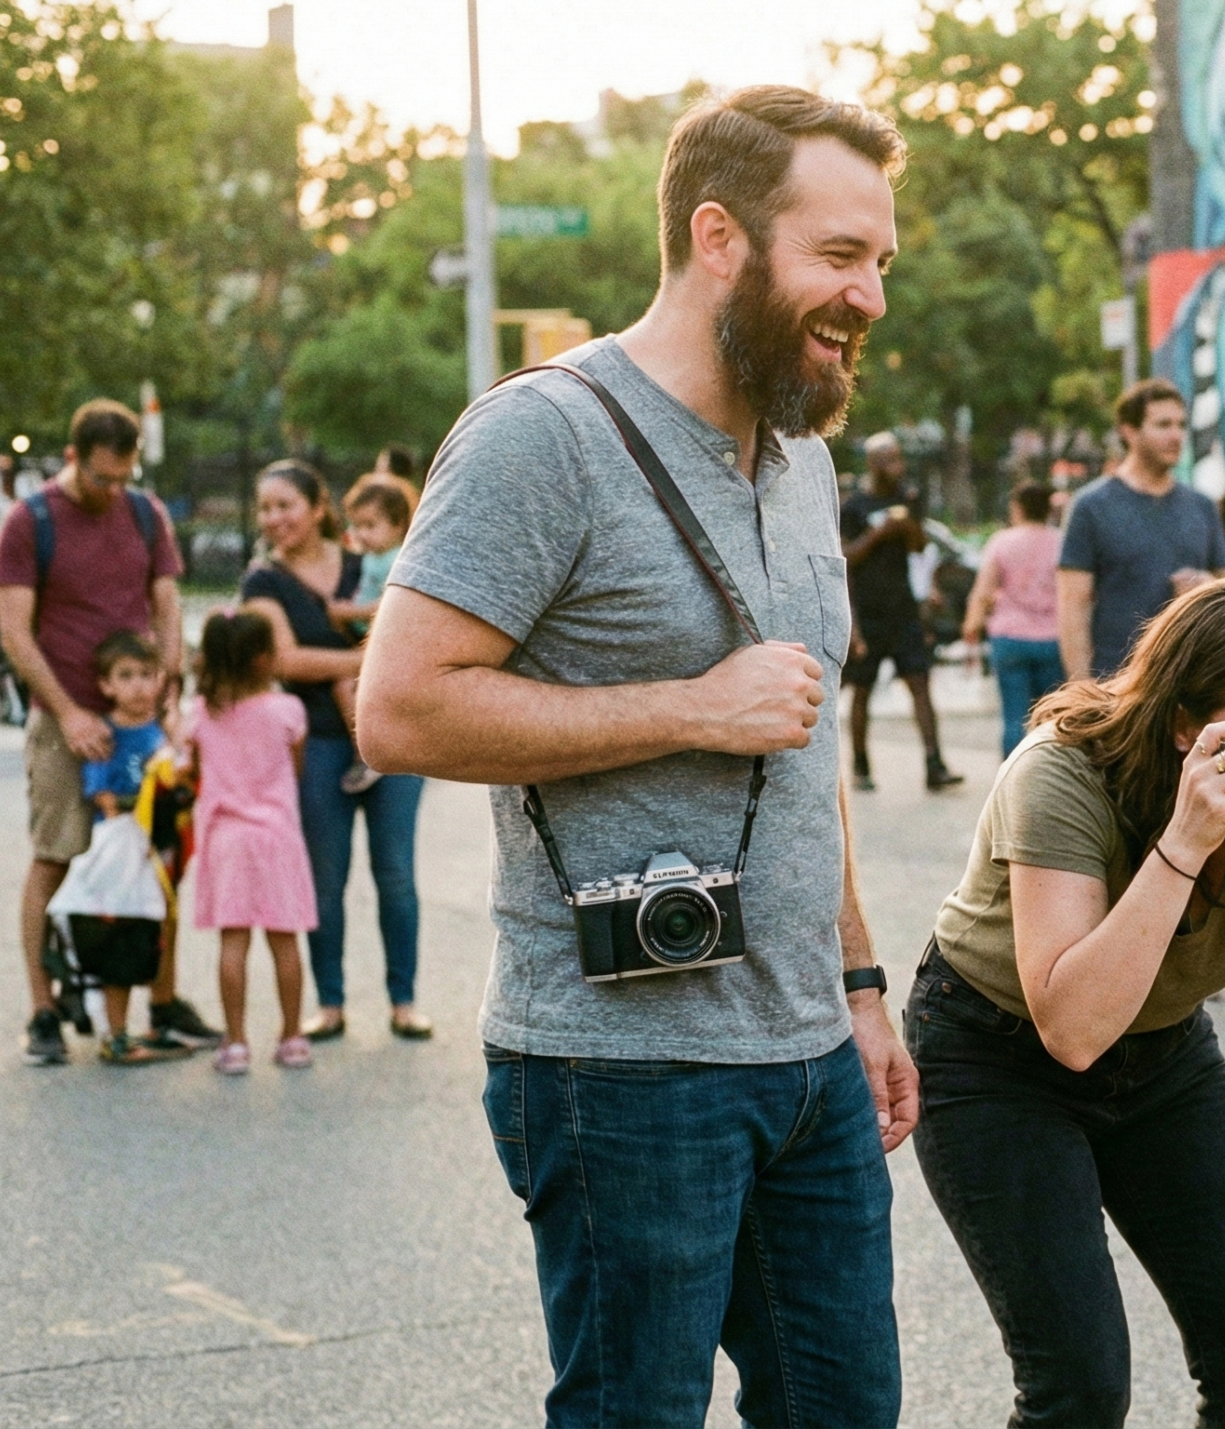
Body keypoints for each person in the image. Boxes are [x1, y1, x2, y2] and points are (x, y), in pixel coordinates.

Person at [359, 86, 913, 1427]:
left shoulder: (802, 458)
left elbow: (804, 747)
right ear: (719, 238)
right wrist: (689, 709)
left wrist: (857, 982)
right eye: (841, 255)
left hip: (807, 1053)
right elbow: (400, 710)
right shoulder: (541, 434)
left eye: (883, 261)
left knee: (847, 1410)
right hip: (618, 1070)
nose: (872, 297)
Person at [909, 580, 1225, 1427]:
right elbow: (1072, 1030)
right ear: (1186, 726)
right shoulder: (1063, 770)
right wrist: (1184, 843)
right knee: (1080, 1385)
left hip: (1163, 1054)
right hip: (996, 1056)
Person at [0, 398, 217, 1064]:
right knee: (56, 856)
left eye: (124, 477)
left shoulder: (144, 514)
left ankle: (161, 1003)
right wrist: (68, 711)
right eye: (101, 478)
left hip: (141, 722)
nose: (113, 490)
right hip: (66, 720)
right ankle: (44, 1011)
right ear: (72, 458)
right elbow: (14, 632)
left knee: (155, 863)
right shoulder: (30, 522)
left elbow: (167, 604)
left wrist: (169, 688)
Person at [240, 462, 429, 1043]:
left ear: (318, 508)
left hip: (392, 739)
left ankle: (404, 1000)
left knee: (396, 873)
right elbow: (285, 660)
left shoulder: (366, 559)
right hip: (318, 741)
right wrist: (371, 661)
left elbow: (417, 624)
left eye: (285, 505)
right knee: (325, 879)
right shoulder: (263, 581)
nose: (273, 518)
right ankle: (330, 1003)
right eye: (265, 508)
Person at [185, 608, 319, 1076]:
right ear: (262, 659)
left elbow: (193, 769)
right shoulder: (288, 710)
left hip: (226, 838)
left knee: (233, 941)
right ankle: (293, 1037)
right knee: (285, 940)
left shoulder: (201, 713)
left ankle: (237, 1042)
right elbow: (295, 769)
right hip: (276, 836)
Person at [1057, 379, 1225, 680]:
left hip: (1193, 679)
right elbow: (1073, 607)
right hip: (1118, 680)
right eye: (1163, 425)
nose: (1176, 435)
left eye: (1181, 425)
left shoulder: (1202, 506)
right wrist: (1081, 689)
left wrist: (1207, 586)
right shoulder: (1091, 506)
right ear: (1129, 431)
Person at [71, 630, 188, 1065]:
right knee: (119, 938)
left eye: (145, 674)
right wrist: (144, 801)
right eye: (125, 676)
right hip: (123, 856)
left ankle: (159, 1020)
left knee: (157, 935)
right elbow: (103, 798)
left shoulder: (163, 732)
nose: (138, 685)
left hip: (159, 852)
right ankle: (116, 1034)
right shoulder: (106, 734)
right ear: (106, 685)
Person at [843, 430, 960, 791]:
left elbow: (920, 547)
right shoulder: (854, 507)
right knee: (862, 689)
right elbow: (845, 557)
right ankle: (861, 766)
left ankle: (934, 764)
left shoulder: (907, 498)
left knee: (920, 683)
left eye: (899, 458)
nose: (898, 466)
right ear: (873, 463)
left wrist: (908, 527)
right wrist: (879, 534)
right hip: (868, 611)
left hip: (903, 609)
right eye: (890, 459)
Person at [328, 472, 418, 797]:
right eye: (357, 526)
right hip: (367, 637)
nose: (361, 534)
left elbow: (390, 603)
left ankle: (365, 751)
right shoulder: (372, 558)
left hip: (385, 640)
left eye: (370, 525)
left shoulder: (396, 559)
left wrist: (347, 613)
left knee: (346, 685)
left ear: (397, 525)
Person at [962, 479, 1063, 757]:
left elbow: (983, 592)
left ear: (1018, 508)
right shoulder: (1061, 542)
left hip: (1010, 638)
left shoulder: (1003, 541)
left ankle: (1012, 773)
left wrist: (972, 625)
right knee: (1051, 717)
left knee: (1014, 717)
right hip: (1053, 639)